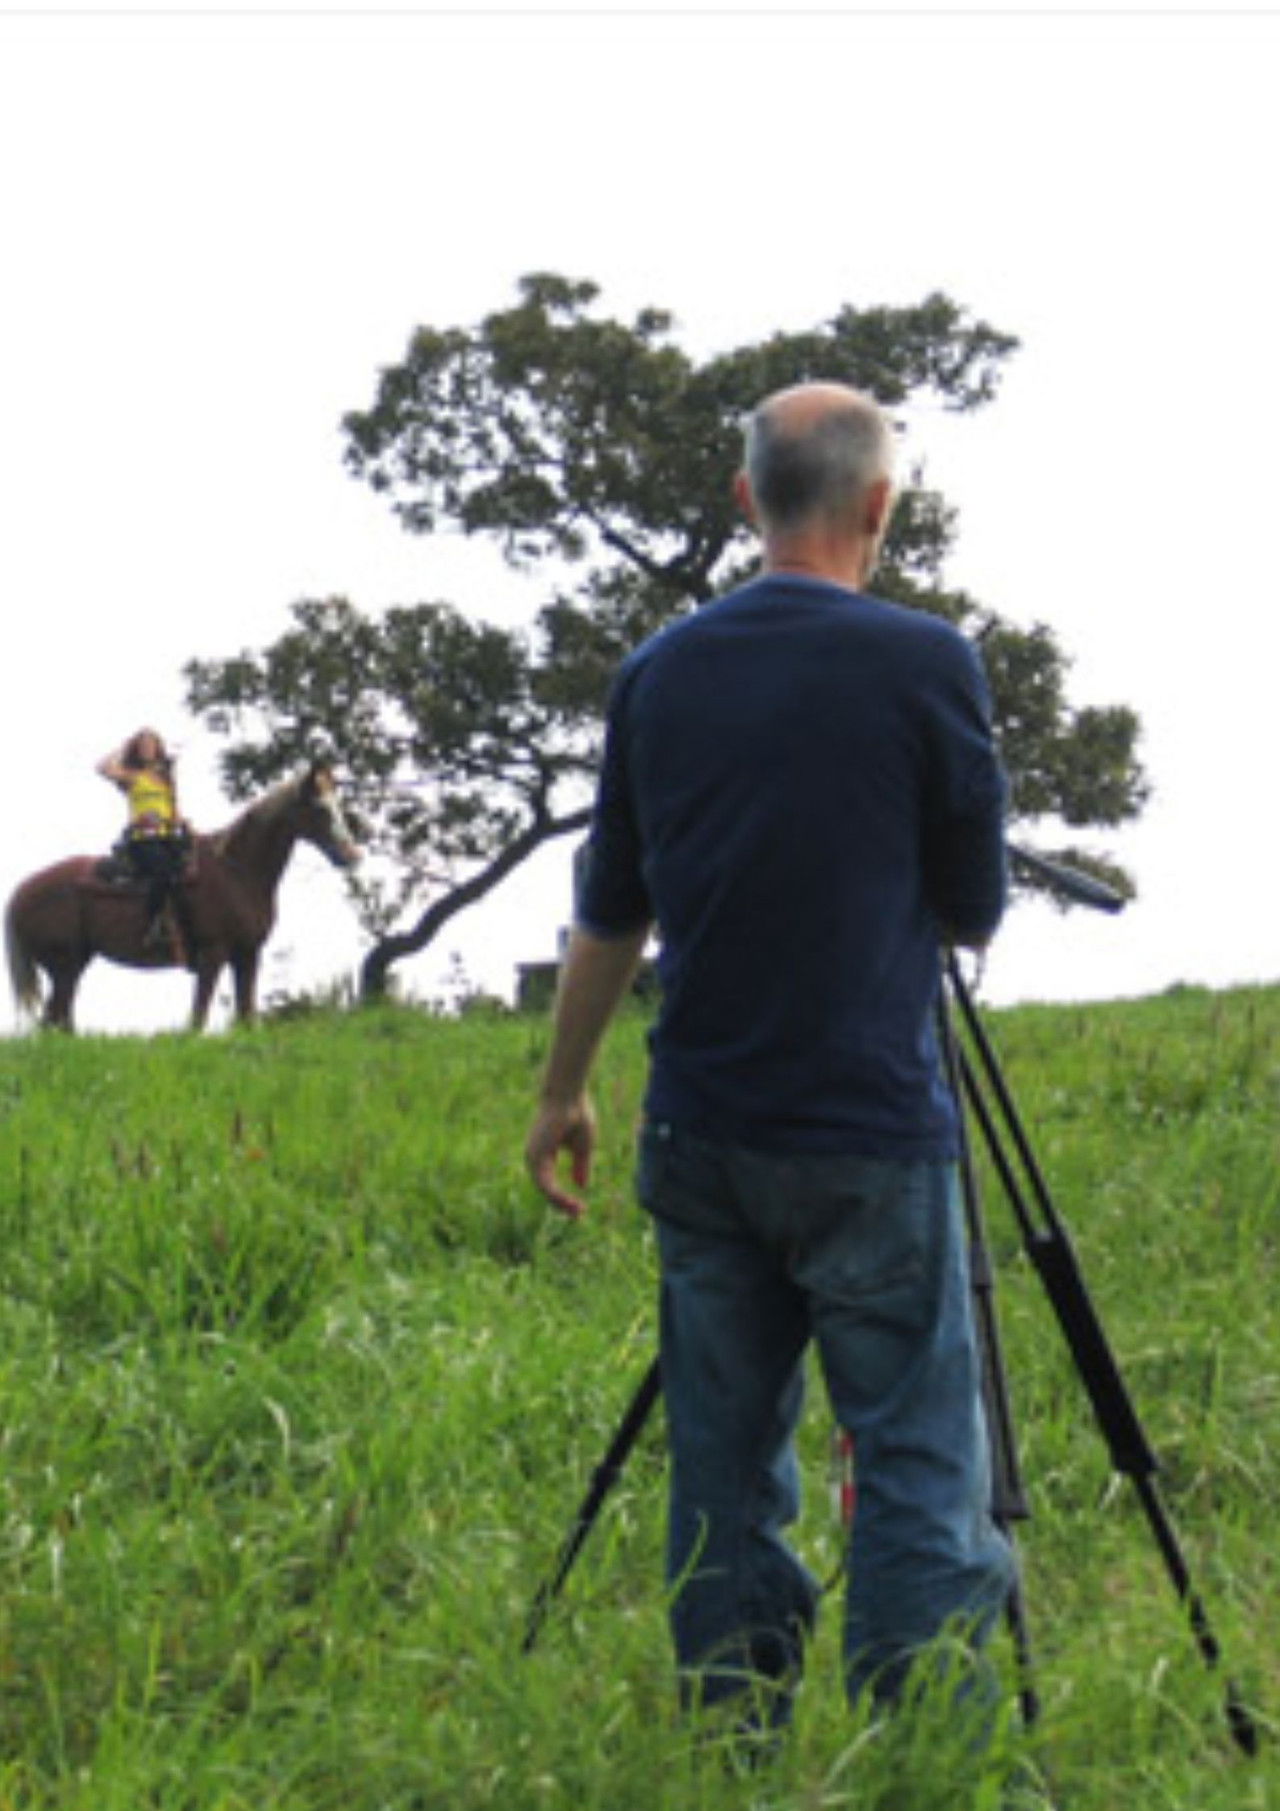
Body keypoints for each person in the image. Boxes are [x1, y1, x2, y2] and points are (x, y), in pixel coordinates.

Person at [524, 381, 1015, 1735]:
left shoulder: (658, 672)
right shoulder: (929, 662)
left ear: (746, 499)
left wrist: (564, 1089)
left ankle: (731, 1735)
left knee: (725, 1462)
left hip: (702, 1131)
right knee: (917, 1455)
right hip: (871, 1129)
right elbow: (971, 906)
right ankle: (927, 1747)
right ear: (880, 506)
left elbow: (609, 911)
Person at [97, 728, 195, 953]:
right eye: (142, 745)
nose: (147, 748)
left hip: (169, 836)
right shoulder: (133, 776)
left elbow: (174, 810)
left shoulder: (166, 779)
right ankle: (152, 926)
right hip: (143, 839)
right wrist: (123, 746)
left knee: (198, 869)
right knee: (163, 874)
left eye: (151, 744)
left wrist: (185, 825)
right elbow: (102, 768)